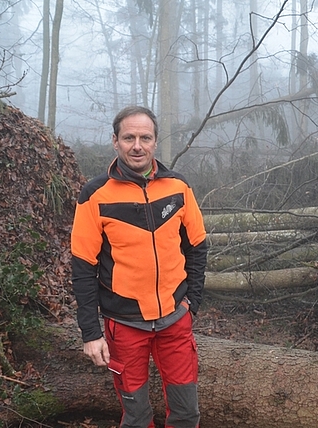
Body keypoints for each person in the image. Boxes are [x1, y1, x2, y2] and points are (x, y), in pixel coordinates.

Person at [71, 106, 208, 428]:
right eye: (129, 137)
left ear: (155, 142)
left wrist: (193, 304)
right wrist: (91, 333)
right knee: (136, 416)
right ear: (115, 141)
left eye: (145, 137)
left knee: (187, 414)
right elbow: (82, 267)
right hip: (124, 324)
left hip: (175, 319)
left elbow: (198, 248)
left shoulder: (178, 187)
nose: (137, 145)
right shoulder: (95, 194)